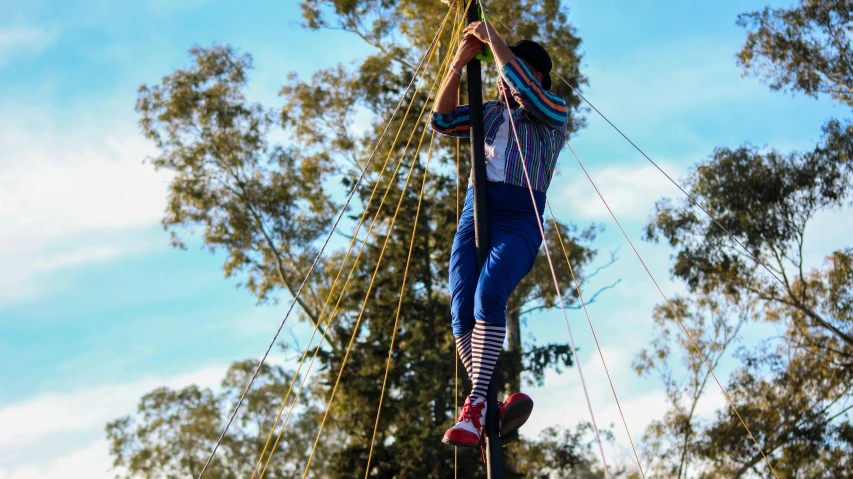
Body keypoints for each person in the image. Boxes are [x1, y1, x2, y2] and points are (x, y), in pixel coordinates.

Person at [430, 21, 569, 448]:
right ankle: (488, 408)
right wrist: (458, 65)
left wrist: (493, 37)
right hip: (476, 215)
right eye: (499, 72)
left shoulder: (553, 112)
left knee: (489, 295)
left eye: (510, 70)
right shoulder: (488, 114)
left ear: (536, 76)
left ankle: (474, 405)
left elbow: (525, 90)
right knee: (460, 309)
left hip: (520, 219)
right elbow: (441, 120)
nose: (501, 80)